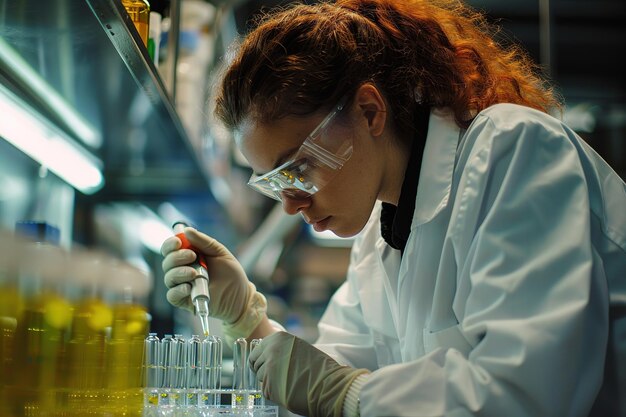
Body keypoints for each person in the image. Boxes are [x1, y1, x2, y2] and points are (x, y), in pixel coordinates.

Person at [160, 0, 626, 416]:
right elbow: (332, 378)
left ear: (368, 111)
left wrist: (340, 392)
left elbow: (524, 395)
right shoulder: (379, 235)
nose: (289, 205)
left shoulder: (512, 151)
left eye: (296, 170)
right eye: (273, 184)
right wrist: (246, 318)